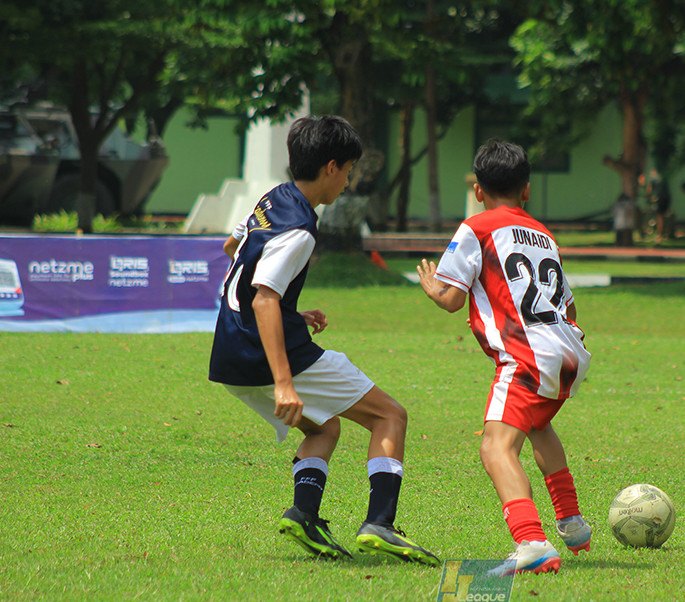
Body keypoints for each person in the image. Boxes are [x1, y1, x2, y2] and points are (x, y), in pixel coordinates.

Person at [209, 115, 438, 567]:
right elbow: (263, 300)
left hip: (228, 349)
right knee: (390, 417)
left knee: (324, 427)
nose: (348, 182)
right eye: (349, 171)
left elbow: (233, 250)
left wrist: (292, 312)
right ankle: (380, 523)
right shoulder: (300, 228)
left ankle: (304, 515)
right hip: (266, 353)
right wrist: (283, 383)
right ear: (331, 167)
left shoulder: (271, 200)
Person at [416, 139, 592, 576]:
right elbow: (569, 306)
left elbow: (452, 298)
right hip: (569, 346)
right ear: (526, 190)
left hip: (527, 353)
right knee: (537, 423)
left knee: (495, 446)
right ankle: (571, 521)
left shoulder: (476, 227)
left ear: (478, 189)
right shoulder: (544, 234)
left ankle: (531, 541)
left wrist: (431, 289)